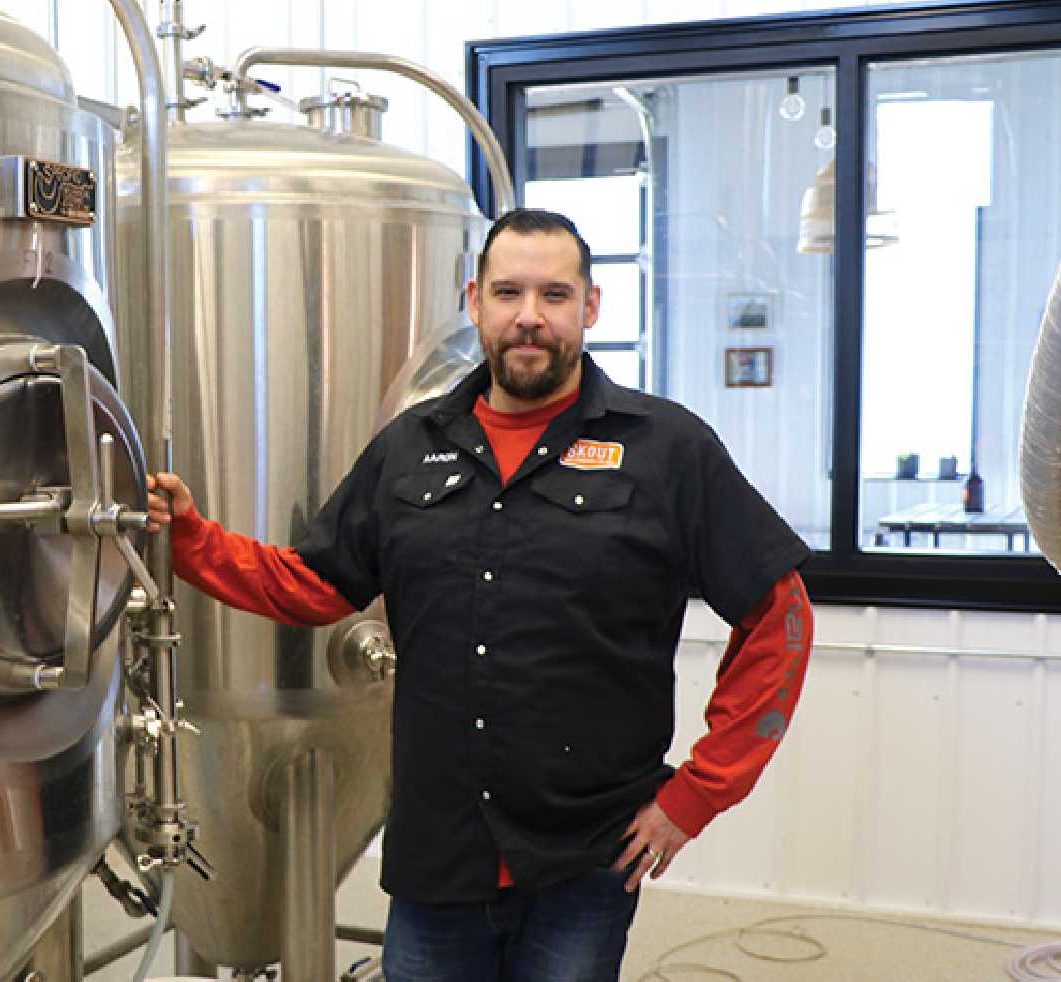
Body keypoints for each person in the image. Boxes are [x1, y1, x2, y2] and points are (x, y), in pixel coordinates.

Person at [146, 208, 815, 981]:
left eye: (555, 295)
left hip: (587, 854)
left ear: (591, 307)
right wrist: (193, 540)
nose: (529, 317)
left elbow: (780, 614)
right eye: (509, 293)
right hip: (440, 853)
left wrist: (697, 794)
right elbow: (315, 584)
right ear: (474, 302)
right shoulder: (409, 447)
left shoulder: (665, 449)